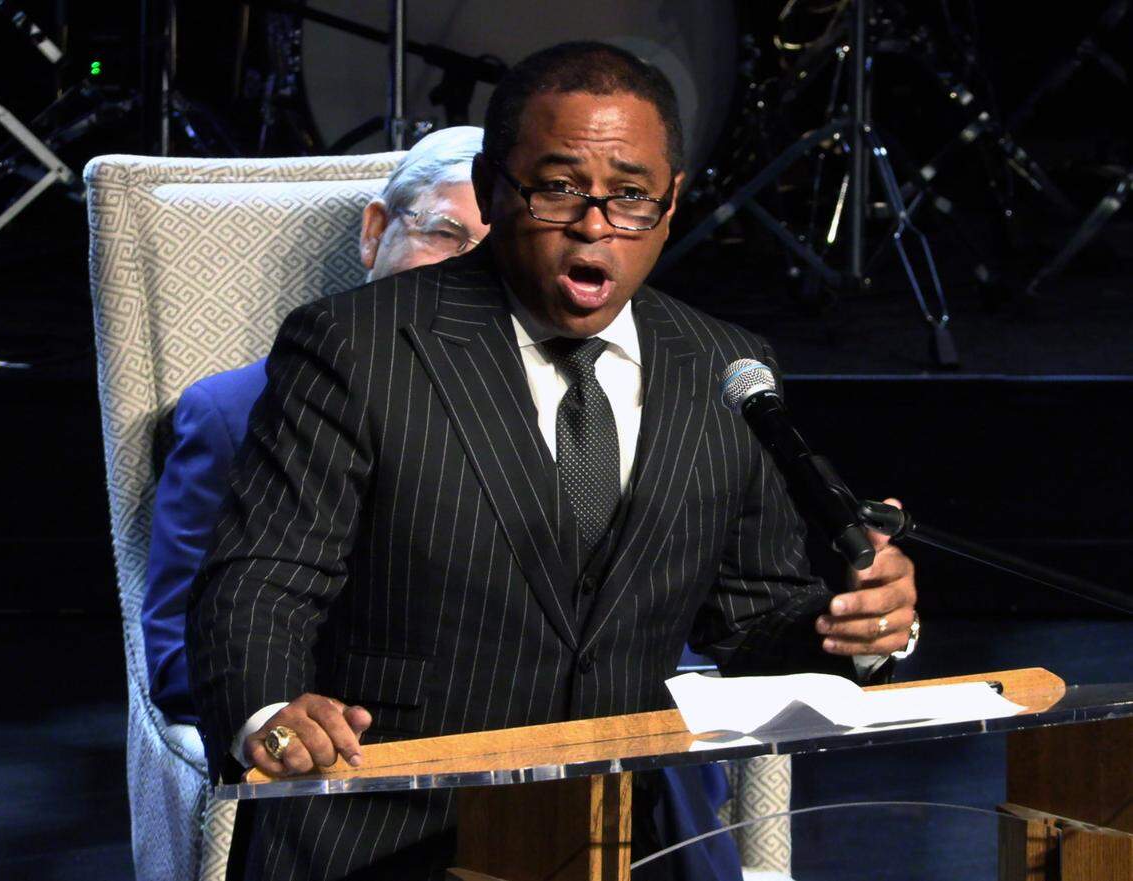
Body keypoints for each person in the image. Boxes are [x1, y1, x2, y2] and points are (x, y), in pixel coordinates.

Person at [187, 42, 918, 881]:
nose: (596, 223)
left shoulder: (723, 368)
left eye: (631, 196)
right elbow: (258, 580)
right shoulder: (357, 346)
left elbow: (755, 622)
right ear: (497, 189)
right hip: (383, 836)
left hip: (618, 845)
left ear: (671, 203)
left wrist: (855, 628)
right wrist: (273, 713)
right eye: (560, 187)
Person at [142, 126, 488, 725]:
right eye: (444, 235)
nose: (466, 276)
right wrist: (285, 712)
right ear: (375, 231)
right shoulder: (231, 414)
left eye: (497, 255)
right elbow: (178, 654)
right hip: (361, 762)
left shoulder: (566, 407)